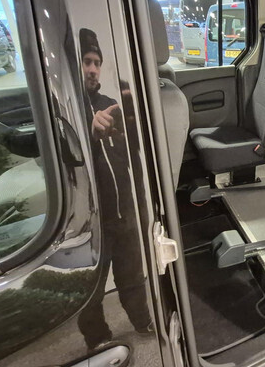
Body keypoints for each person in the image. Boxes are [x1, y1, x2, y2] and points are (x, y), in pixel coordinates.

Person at [77, 28, 152, 350]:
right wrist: (87, 131)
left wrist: (141, 206)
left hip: (124, 211)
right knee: (90, 290)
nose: (93, 69)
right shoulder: (62, 114)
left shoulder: (111, 105)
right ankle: (98, 341)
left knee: (132, 276)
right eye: (86, 61)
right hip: (88, 223)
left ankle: (143, 321)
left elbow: (134, 156)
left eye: (97, 62)